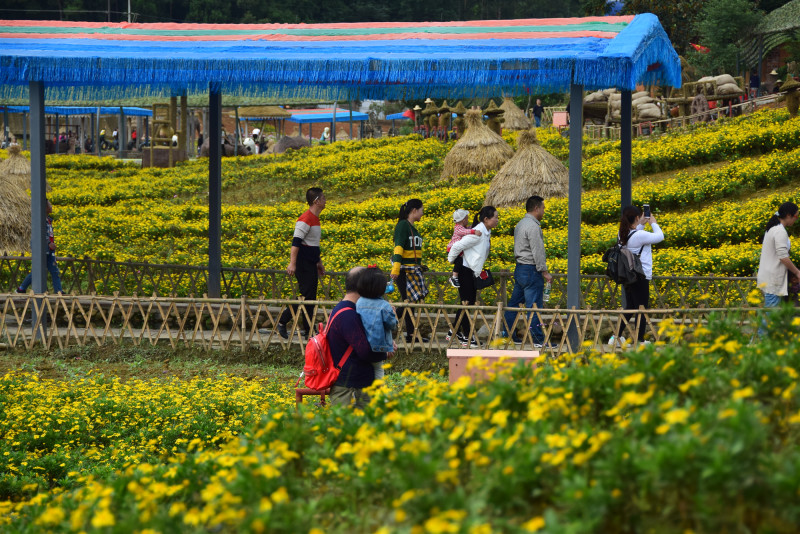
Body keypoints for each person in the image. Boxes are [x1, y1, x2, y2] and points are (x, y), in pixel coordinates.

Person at [329, 267, 391, 409]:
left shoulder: (345, 309)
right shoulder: (348, 315)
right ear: (363, 285)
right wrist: (384, 352)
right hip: (350, 386)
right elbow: (365, 352)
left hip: (353, 382)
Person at [608, 206, 664, 346]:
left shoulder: (622, 234)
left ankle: (616, 337)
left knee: (631, 307)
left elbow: (635, 234)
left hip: (629, 275)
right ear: (637, 218)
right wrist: (653, 223)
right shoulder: (639, 235)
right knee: (641, 308)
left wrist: (641, 224)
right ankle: (640, 340)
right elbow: (660, 236)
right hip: (641, 275)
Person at [502, 196, 554, 348]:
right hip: (531, 269)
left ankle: (506, 334)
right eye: (543, 208)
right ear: (536, 208)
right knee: (534, 306)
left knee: (514, 304)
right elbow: (537, 251)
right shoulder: (533, 226)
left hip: (520, 268)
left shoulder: (520, 224)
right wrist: (544, 271)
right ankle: (538, 340)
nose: (544, 211)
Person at [277, 188, 326, 339]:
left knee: (310, 296)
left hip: (310, 262)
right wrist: (292, 264)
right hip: (303, 263)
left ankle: (308, 330)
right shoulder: (305, 219)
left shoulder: (315, 219)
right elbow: (296, 242)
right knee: (306, 296)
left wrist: (319, 262)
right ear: (316, 201)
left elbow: (313, 245)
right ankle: (283, 321)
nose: (325, 200)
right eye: (323, 198)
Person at [447, 206, 499, 348]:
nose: (497, 220)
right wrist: (451, 260)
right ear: (486, 219)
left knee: (467, 303)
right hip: (465, 270)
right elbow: (457, 246)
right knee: (466, 303)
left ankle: (456, 332)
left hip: (470, 271)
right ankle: (467, 337)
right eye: (495, 217)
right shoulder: (479, 233)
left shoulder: (485, 231)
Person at [757, 203, 800, 335]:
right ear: (788, 216)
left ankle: (762, 343)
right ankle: (761, 344)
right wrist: (797, 271)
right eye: (796, 216)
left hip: (769, 277)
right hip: (773, 278)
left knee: (770, 312)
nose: (796, 219)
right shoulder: (780, 231)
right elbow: (783, 256)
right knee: (771, 313)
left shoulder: (774, 229)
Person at [391, 199, 429, 343]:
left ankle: (411, 334)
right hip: (404, 270)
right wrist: (395, 268)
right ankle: (387, 322)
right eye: (421, 210)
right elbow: (399, 247)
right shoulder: (402, 226)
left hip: (413, 269)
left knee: (411, 301)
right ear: (414, 210)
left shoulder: (413, 228)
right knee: (408, 302)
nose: (422, 213)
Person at [355, 266, 397, 381]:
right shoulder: (384, 306)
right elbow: (392, 325)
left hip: (360, 346)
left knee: (360, 375)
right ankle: (379, 396)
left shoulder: (358, 303)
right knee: (378, 371)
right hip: (378, 349)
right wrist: (393, 313)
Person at [17, 200, 63, 295]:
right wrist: (49, 242)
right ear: (45, 207)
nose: (51, 207)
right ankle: (21, 288)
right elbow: (39, 233)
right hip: (42, 249)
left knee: (54, 270)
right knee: (37, 271)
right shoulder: (39, 220)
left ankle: (59, 291)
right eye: (50, 205)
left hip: (50, 250)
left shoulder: (49, 220)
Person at [447, 209, 482, 288]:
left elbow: (468, 229)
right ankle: (454, 277)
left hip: (459, 250)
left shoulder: (463, 227)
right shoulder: (458, 228)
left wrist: (477, 226)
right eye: (467, 218)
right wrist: (474, 232)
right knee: (459, 261)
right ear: (463, 220)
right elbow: (465, 232)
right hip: (452, 249)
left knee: (460, 262)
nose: (468, 220)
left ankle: (455, 277)